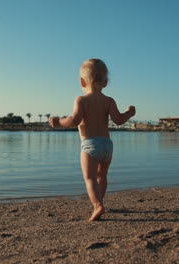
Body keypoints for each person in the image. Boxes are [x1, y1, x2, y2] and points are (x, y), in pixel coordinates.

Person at [49, 58, 136, 221]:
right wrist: (129, 113)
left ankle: (97, 205)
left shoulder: (81, 100)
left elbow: (74, 120)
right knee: (102, 176)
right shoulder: (109, 101)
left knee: (89, 178)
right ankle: (101, 201)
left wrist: (59, 122)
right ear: (106, 82)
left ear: (82, 81)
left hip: (90, 145)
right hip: (107, 145)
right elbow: (118, 120)